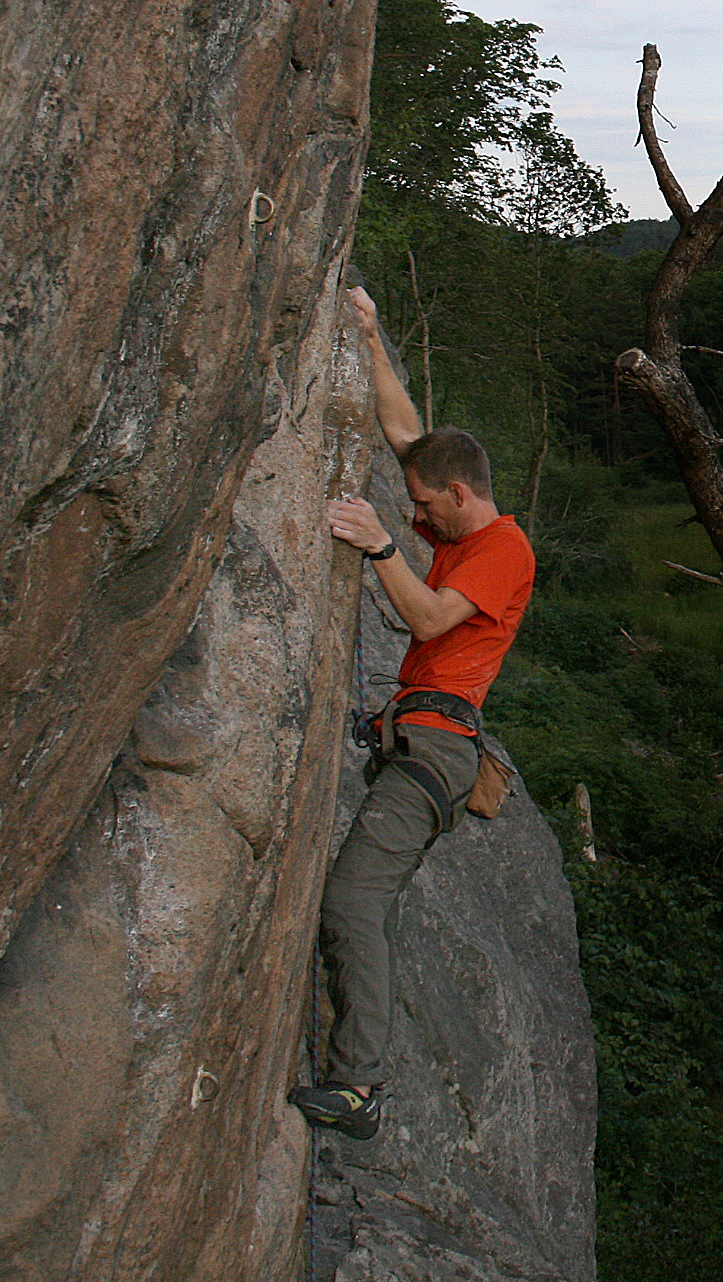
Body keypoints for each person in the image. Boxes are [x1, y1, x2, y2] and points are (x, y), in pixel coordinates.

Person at [289, 285, 535, 1139]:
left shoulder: (502, 550)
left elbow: (427, 619)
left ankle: (359, 1089)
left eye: (426, 504)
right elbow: (407, 437)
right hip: (417, 742)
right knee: (356, 899)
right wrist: (367, 337)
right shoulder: (463, 533)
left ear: (460, 494)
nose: (412, 512)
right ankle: (357, 1079)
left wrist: (379, 545)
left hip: (435, 752)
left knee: (353, 903)